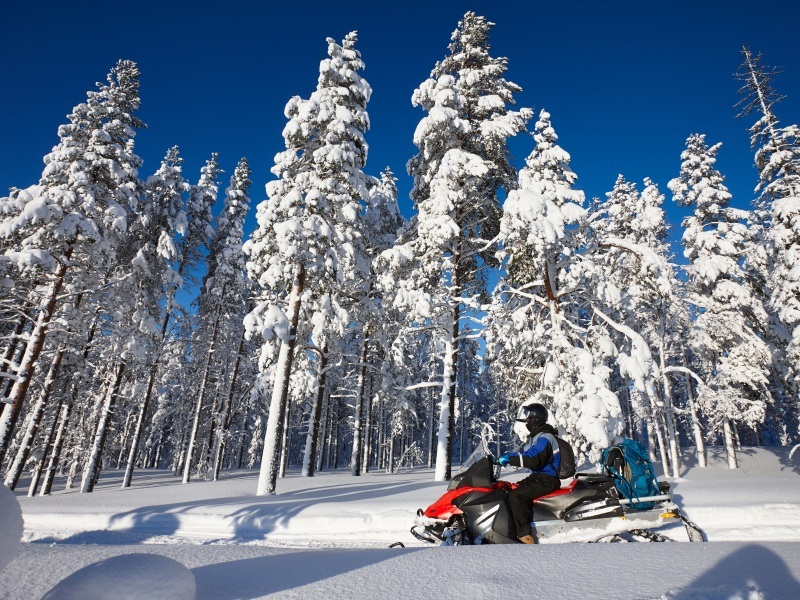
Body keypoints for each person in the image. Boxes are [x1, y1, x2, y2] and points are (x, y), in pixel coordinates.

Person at [497, 402, 561, 544]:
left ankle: (524, 535)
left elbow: (533, 459)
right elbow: (529, 455)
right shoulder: (538, 436)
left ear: (535, 419)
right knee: (509, 490)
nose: (526, 422)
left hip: (547, 479)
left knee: (517, 496)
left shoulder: (545, 437)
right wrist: (508, 457)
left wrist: (510, 458)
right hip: (540, 477)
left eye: (528, 418)